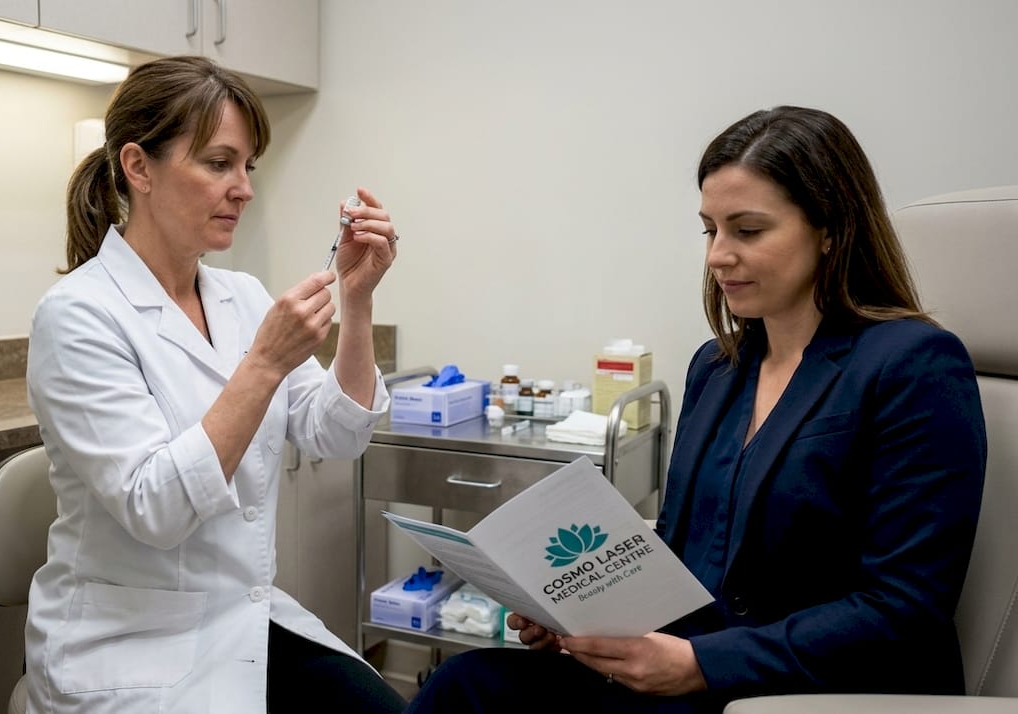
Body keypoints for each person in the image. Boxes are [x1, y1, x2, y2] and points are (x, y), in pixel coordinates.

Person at [405, 106, 987, 713]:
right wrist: (580, 613)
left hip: (811, 691)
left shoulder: (914, 365)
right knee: (464, 686)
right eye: (710, 229)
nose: (717, 255)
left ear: (830, 229)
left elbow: (904, 607)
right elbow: (681, 549)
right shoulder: (719, 366)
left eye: (748, 230)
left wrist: (700, 665)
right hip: (689, 673)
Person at [24, 56, 407, 714]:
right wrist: (261, 366)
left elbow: (337, 434)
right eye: (218, 163)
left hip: (243, 620)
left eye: (248, 166)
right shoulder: (78, 315)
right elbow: (157, 509)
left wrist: (358, 298)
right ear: (138, 167)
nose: (244, 189)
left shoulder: (241, 296)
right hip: (129, 646)